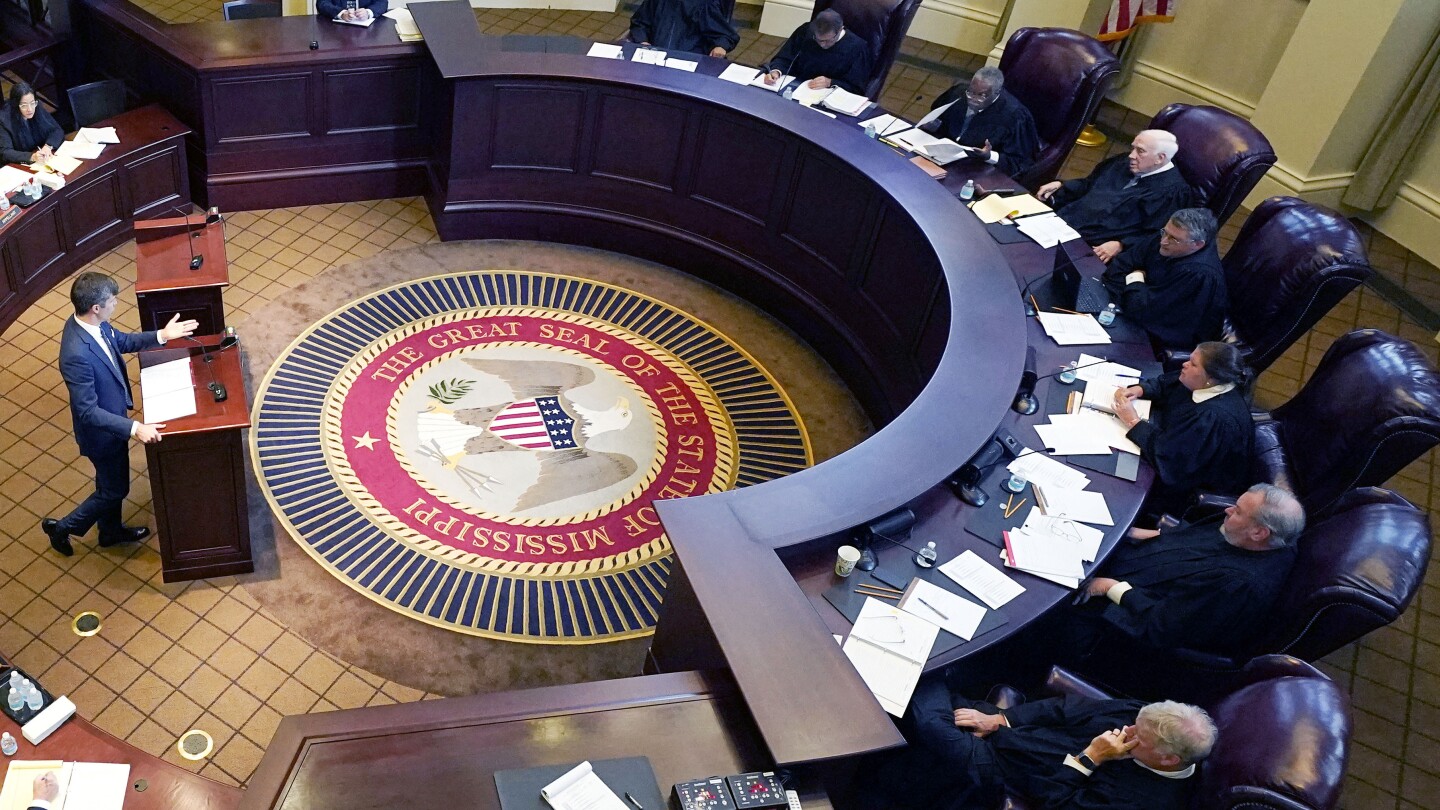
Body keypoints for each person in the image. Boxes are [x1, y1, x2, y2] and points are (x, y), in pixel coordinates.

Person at [1056, 484, 1302, 676]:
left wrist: (1109, 587)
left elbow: (1163, 624)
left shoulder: (1235, 584)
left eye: (1237, 511)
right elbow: (1195, 540)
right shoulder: (1257, 538)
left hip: (1127, 618)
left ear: (1259, 532)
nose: (1227, 510)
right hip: (1137, 563)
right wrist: (1142, 534)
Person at [872, 678, 1216, 808]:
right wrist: (1001, 719)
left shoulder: (1144, 802)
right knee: (946, 701)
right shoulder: (1149, 720)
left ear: (1168, 759)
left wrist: (1089, 758)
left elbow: (1057, 805)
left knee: (931, 718)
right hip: (1011, 730)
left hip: (1003, 771)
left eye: (1138, 736)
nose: (1126, 730)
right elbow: (1065, 708)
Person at [42, 272, 197, 557]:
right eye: (112, 300)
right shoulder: (76, 354)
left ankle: (110, 532)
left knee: (109, 483)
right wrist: (135, 427)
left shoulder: (92, 324)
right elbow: (87, 411)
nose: (116, 304)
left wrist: (162, 335)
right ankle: (62, 528)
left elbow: (122, 342)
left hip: (113, 424)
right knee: (114, 490)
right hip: (102, 435)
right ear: (96, 307)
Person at [1111, 341, 1252, 517]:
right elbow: (1166, 385)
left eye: (1193, 364)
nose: (1184, 364)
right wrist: (1140, 389)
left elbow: (1171, 458)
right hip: (1164, 439)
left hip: (1181, 491)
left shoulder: (1213, 418)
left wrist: (1133, 421)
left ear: (1210, 377)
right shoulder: (1203, 382)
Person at [1037, 129, 1193, 263]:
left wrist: (1121, 244)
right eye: (1133, 148)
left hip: (1092, 247)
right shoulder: (1123, 162)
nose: (1131, 155)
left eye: (1140, 151)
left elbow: (1154, 235)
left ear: (1160, 158)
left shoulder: (1172, 193)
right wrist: (1062, 185)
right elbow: (1089, 184)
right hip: (1062, 224)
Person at [1102, 207, 1227, 353]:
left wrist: (1136, 276)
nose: (1163, 241)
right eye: (1164, 232)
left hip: (1157, 340)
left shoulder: (1199, 275)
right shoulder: (1168, 237)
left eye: (1174, 239)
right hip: (1126, 310)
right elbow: (1119, 267)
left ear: (1197, 244)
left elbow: (1142, 310)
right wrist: (1136, 291)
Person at [923, 66, 1039, 178]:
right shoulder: (958, 93)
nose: (973, 99)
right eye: (971, 92)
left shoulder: (1016, 117)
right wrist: (932, 126)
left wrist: (989, 156)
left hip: (978, 172)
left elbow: (1021, 163)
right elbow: (937, 119)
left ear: (997, 92)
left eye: (982, 95)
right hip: (940, 160)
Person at [761, 10, 871, 95]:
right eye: (818, 39)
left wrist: (830, 82)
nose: (822, 44)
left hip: (827, 98)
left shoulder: (858, 48)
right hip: (795, 89)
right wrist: (776, 71)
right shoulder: (805, 31)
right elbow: (785, 58)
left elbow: (856, 87)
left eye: (827, 40)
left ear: (840, 30)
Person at [627, 0, 738, 59]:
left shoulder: (704, 4)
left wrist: (720, 46)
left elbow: (724, 35)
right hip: (655, 58)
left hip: (688, 61)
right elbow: (640, 23)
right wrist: (642, 41)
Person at [0, 82, 64, 165]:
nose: (30, 109)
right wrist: (32, 157)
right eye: (24, 105)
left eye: (32, 103)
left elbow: (57, 130)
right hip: (20, 164)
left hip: (43, 158)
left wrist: (48, 147)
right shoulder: (4, 119)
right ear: (15, 105)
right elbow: (5, 152)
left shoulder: (37, 107)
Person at [317, 0, 388, 22]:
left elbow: (382, 2)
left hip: (367, 31)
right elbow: (322, 3)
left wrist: (368, 12)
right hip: (335, 30)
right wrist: (341, 13)